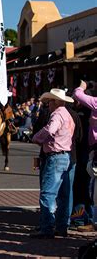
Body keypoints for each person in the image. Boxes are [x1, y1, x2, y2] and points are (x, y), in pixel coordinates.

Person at [31, 88, 76, 238]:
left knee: (48, 194)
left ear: (55, 102)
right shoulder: (68, 115)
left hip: (55, 156)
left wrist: (37, 138)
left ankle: (47, 228)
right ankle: (62, 226)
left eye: (50, 101)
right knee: (64, 195)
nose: (48, 104)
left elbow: (51, 129)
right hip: (66, 156)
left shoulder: (57, 115)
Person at [73, 80, 97, 231]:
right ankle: (88, 217)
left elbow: (77, 93)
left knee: (83, 186)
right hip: (90, 150)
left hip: (87, 151)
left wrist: (83, 86)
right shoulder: (91, 110)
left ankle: (82, 217)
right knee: (89, 188)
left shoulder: (94, 104)